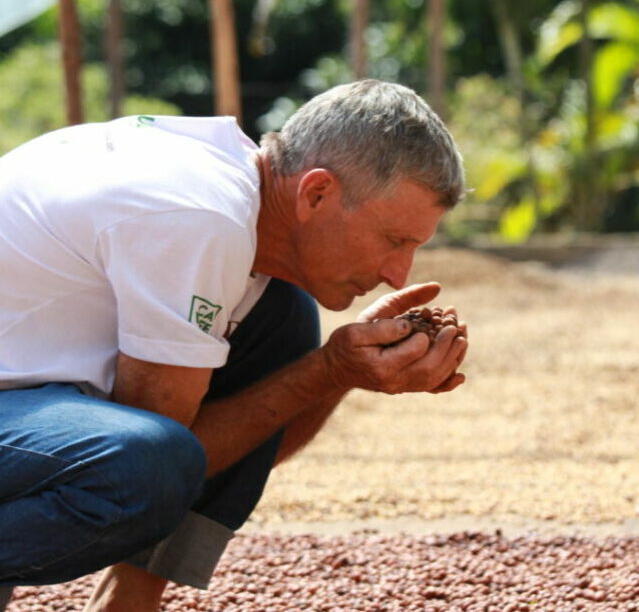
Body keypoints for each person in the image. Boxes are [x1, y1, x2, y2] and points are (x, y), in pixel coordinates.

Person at [0, 79, 469, 611]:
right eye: (394, 241)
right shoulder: (203, 217)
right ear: (317, 193)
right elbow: (166, 463)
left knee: (281, 317)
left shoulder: (230, 182)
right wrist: (330, 371)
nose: (397, 273)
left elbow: (235, 447)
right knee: (148, 462)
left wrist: (336, 371)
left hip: (22, 399)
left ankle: (126, 603)